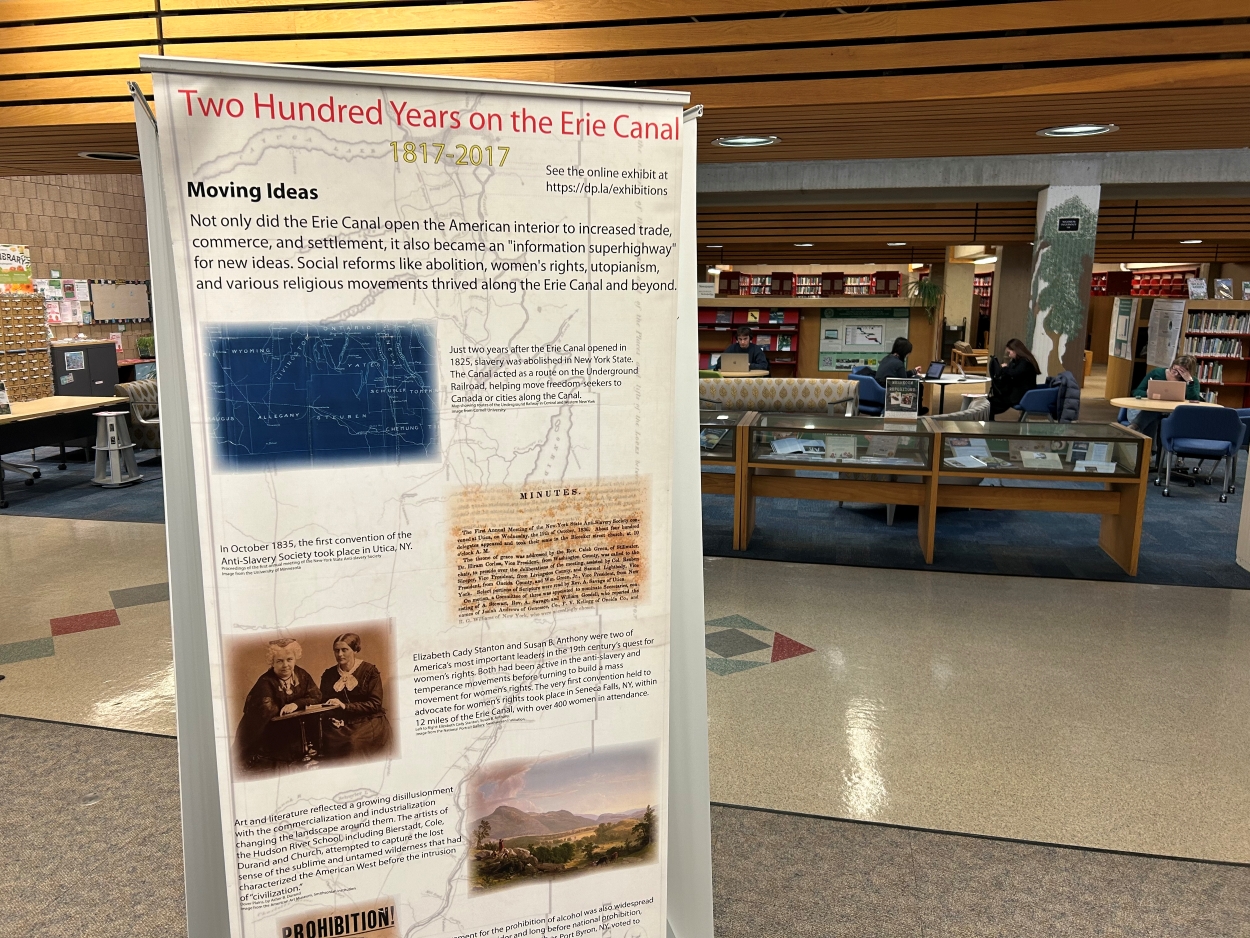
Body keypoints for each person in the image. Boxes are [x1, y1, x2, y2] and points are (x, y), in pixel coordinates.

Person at [235, 638, 321, 770]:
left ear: (295, 658)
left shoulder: (302, 675)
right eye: (279, 661)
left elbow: (316, 696)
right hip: (270, 735)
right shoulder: (265, 682)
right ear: (272, 662)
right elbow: (266, 711)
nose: (285, 665)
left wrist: (296, 704)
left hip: (299, 732)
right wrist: (283, 707)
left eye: (289, 659)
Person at [318, 632, 392, 760]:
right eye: (336, 650)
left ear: (355, 650)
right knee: (324, 742)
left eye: (344, 650)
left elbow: (375, 704)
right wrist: (332, 718)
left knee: (352, 742)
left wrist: (345, 706)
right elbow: (324, 703)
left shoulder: (369, 671)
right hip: (341, 723)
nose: (340, 654)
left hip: (368, 721)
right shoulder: (328, 675)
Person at [1127, 354, 1201, 440]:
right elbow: (1136, 392)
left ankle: (1135, 427)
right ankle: (1149, 446)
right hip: (1153, 409)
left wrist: (1189, 382)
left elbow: (1195, 400)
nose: (1175, 373)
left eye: (1180, 372)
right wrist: (1147, 393)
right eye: (1174, 369)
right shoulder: (1157, 373)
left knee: (1152, 417)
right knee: (1154, 414)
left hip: (1174, 412)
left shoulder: (1192, 381)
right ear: (1172, 365)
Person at [873, 337, 928, 414]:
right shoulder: (899, 363)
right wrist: (917, 378)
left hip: (880, 387)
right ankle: (918, 410)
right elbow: (904, 382)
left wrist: (914, 371)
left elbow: (900, 375)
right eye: (908, 353)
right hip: (890, 391)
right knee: (919, 386)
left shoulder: (887, 358)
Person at [987, 338, 1041, 418]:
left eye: (1009, 352)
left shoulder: (1025, 362)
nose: (1009, 355)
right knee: (989, 403)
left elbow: (1014, 373)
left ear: (1015, 350)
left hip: (1021, 395)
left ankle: (989, 423)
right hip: (1017, 393)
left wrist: (1005, 368)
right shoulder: (1018, 361)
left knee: (989, 405)